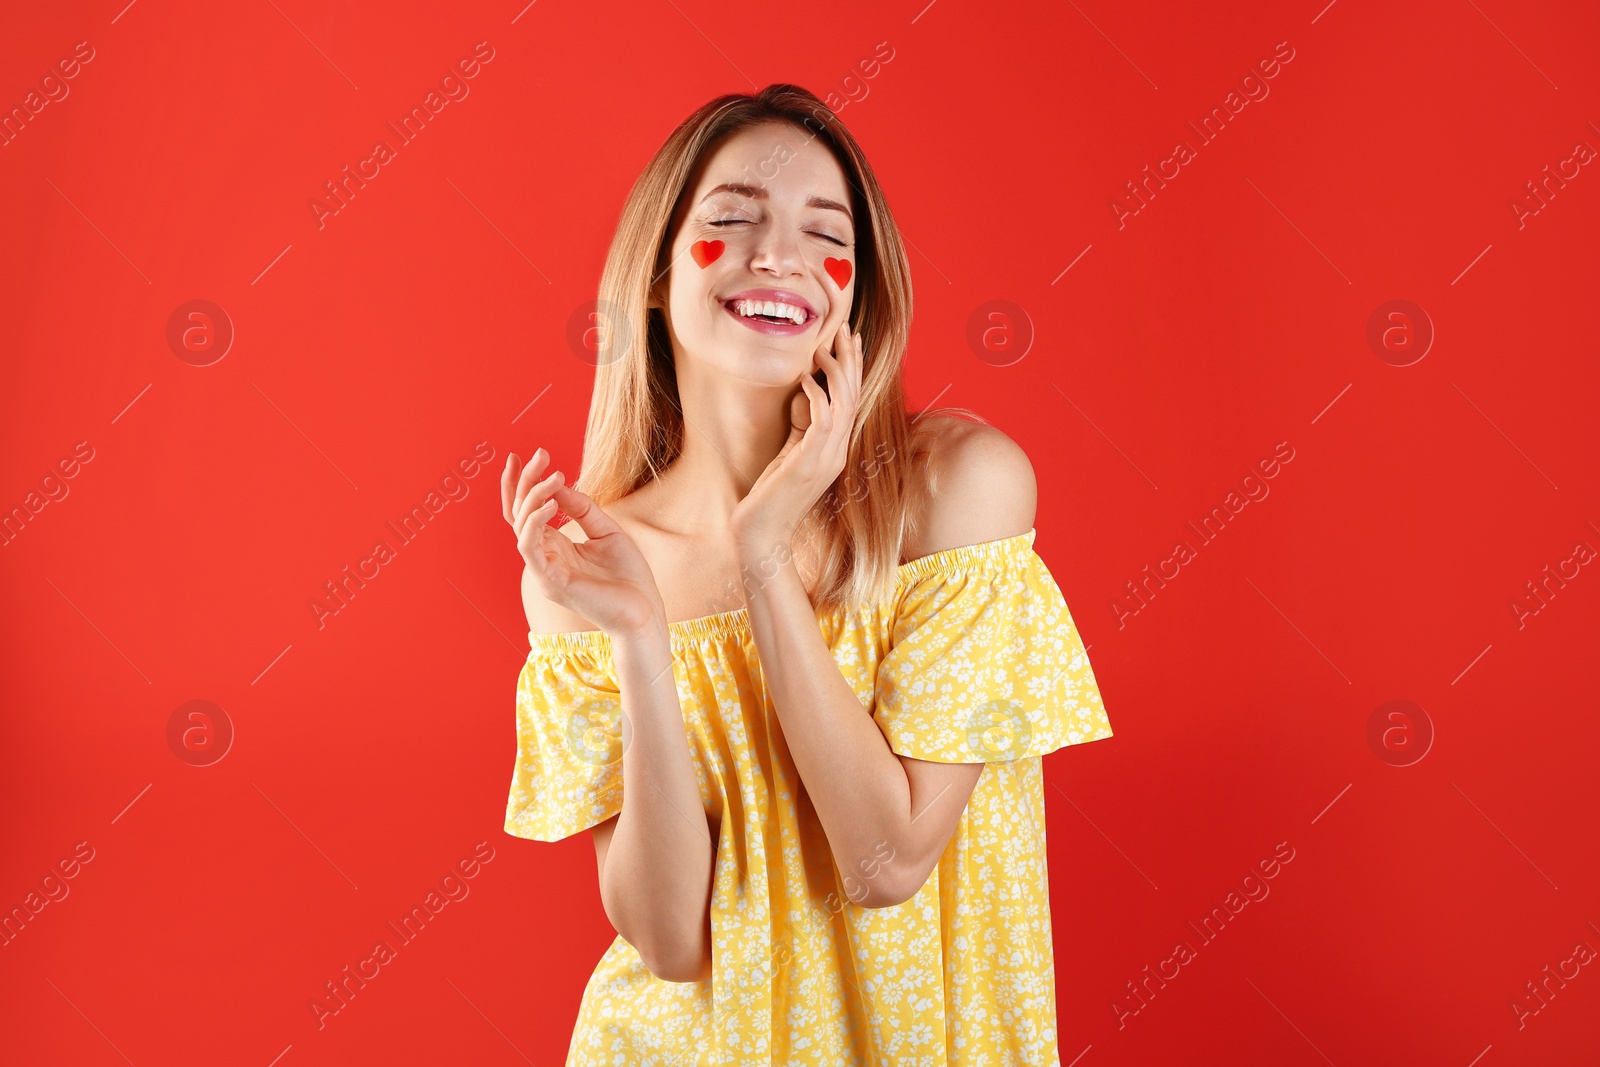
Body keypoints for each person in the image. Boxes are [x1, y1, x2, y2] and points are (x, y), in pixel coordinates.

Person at [499, 82, 1113, 1066]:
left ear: (855, 290)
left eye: (823, 233)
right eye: (732, 219)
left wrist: (763, 554)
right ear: (655, 274)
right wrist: (638, 639)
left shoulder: (954, 489)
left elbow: (888, 858)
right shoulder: (594, 565)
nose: (777, 255)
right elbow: (668, 939)